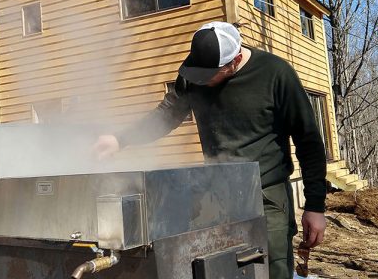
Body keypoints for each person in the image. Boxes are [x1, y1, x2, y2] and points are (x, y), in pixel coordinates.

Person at [94, 21, 327, 279]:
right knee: (222, 270)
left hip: (266, 196)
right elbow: (166, 116)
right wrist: (120, 139)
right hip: (216, 194)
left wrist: (315, 206)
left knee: (270, 270)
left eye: (208, 77)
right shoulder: (195, 73)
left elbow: (309, 141)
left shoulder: (275, 73)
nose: (200, 82)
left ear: (235, 61)